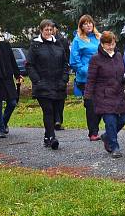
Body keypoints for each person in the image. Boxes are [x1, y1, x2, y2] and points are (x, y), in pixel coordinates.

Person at [85, 31, 125, 158]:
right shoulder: (95, 59)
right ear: (102, 44)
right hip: (103, 95)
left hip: (119, 94)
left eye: (113, 44)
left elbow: (124, 73)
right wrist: (88, 96)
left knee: (123, 119)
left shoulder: (119, 56)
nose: (111, 46)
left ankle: (106, 136)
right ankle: (115, 147)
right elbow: (91, 79)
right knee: (110, 121)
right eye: (108, 44)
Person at [27, 19, 69, 150]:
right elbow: (29, 65)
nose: (49, 32)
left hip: (58, 84)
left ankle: (46, 136)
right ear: (41, 30)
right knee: (48, 110)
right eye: (46, 30)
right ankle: (52, 137)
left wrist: (64, 79)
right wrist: (37, 81)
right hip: (42, 85)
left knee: (57, 110)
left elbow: (65, 64)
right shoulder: (35, 45)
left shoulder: (58, 44)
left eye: (51, 30)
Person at [70, 15, 102, 140]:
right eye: (85, 23)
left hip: (101, 76)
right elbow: (74, 61)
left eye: (90, 23)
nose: (88, 25)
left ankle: (96, 126)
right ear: (81, 26)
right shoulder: (77, 40)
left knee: (101, 102)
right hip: (86, 78)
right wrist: (86, 71)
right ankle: (93, 132)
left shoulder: (98, 38)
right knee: (91, 104)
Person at [0, 31, 22, 137]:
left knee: (12, 103)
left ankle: (4, 122)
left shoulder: (6, 46)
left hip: (7, 79)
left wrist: (17, 74)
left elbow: (12, 60)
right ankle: (1, 129)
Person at [53, 21, 70, 130]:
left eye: (53, 28)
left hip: (61, 72)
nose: (51, 30)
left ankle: (59, 120)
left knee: (61, 97)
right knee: (52, 97)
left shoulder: (62, 41)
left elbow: (67, 56)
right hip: (49, 74)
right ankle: (55, 120)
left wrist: (66, 70)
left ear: (56, 29)